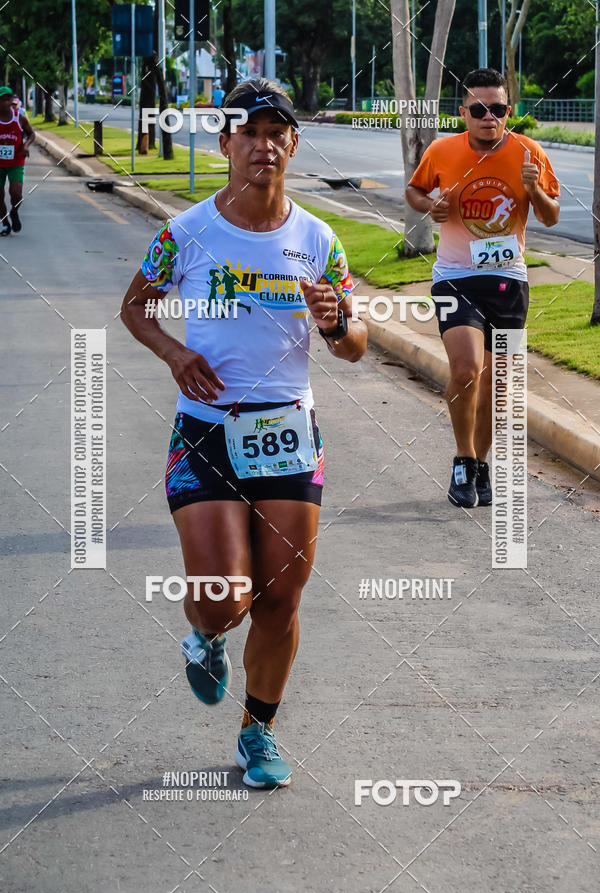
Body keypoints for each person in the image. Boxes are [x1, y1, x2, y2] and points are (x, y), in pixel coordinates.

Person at [121, 78, 367, 787]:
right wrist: (174, 352)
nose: (264, 145)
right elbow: (136, 307)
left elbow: (355, 344)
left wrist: (337, 323)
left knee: (283, 598)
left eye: (276, 132)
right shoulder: (188, 230)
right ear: (225, 143)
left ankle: (256, 732)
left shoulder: (318, 239)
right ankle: (204, 634)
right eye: (249, 133)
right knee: (228, 596)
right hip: (206, 433)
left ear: (292, 142)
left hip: (289, 431)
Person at [405, 68, 560, 507]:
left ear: (508, 111)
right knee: (466, 368)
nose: (488, 117)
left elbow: (549, 216)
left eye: (497, 109)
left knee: (498, 381)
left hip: (508, 279)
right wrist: (430, 204)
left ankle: (480, 463)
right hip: (455, 275)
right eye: (478, 109)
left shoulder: (529, 153)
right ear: (464, 113)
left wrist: (536, 190)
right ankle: (462, 458)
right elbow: (414, 190)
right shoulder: (442, 150)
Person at [0, 86, 35, 236]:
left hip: (16, 162)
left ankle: (14, 211)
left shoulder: (19, 117)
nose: (7, 102)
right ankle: (5, 223)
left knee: (16, 194)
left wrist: (26, 145)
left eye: (9, 99)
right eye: (3, 99)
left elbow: (31, 134)